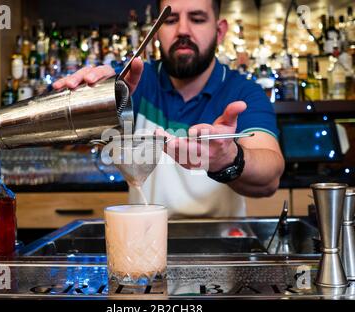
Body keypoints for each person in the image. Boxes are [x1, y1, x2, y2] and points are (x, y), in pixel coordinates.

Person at [53, 0, 285, 218]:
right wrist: (90, 98)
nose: (183, 30)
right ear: (156, 31)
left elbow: (270, 176)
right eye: (171, 20)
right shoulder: (134, 82)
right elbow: (64, 138)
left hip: (222, 249)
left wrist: (228, 158)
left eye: (197, 18)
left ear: (220, 30)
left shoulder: (243, 93)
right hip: (144, 242)